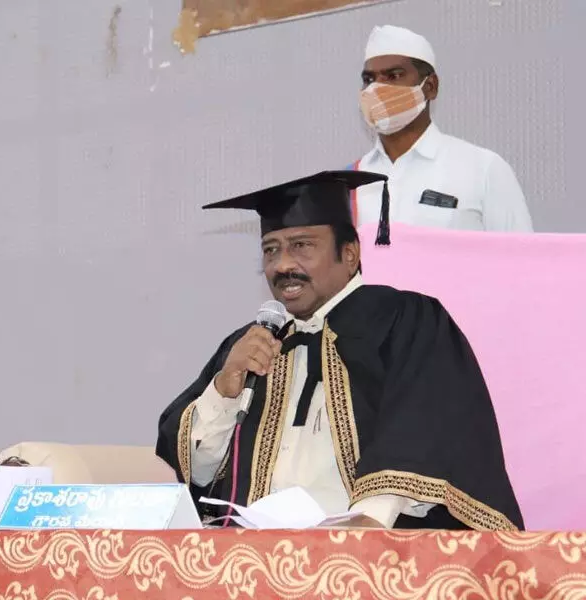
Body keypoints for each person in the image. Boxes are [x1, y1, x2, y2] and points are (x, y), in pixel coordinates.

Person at [155, 170, 523, 530]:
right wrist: (224, 390)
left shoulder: (404, 320)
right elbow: (198, 472)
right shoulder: (250, 344)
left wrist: (367, 524)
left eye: (301, 246)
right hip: (256, 562)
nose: (282, 265)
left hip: (371, 559)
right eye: (271, 250)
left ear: (349, 254)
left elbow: (422, 431)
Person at [350, 25, 533, 232]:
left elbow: (522, 259)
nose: (377, 89)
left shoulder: (483, 169)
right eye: (369, 79)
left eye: (394, 76)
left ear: (430, 87)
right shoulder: (349, 181)